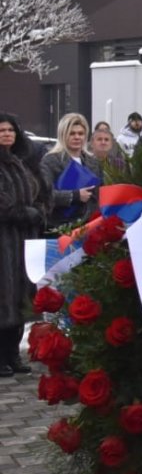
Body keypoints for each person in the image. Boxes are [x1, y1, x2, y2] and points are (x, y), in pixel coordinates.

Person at [0, 112, 50, 377]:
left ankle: (12, 355)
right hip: (3, 242)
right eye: (1, 130)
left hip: (23, 242)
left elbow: (39, 192)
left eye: (10, 130)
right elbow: (5, 206)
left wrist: (40, 210)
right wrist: (29, 213)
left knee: (20, 297)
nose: (7, 134)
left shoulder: (20, 162)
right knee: (3, 297)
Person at [40, 112, 101, 228]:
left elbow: (99, 194)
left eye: (81, 133)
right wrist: (75, 195)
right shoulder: (50, 160)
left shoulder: (93, 162)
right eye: (72, 133)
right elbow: (44, 195)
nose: (77, 137)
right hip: (60, 226)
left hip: (89, 225)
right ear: (63, 135)